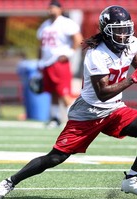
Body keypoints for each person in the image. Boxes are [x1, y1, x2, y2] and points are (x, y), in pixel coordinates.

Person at [0, 5, 137, 199]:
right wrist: (133, 79)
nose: (123, 35)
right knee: (55, 157)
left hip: (114, 110)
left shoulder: (131, 42)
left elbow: (133, 57)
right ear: (106, 31)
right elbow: (102, 94)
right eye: (118, 30)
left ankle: (132, 178)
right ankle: (9, 182)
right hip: (89, 112)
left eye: (126, 29)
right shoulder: (96, 54)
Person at [37, 0, 83, 128]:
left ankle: (76, 120)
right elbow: (41, 45)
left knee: (63, 92)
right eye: (49, 8)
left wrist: (69, 53)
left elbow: (78, 39)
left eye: (53, 8)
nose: (50, 10)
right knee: (52, 92)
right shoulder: (45, 25)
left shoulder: (66, 23)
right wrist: (39, 62)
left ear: (60, 9)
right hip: (47, 62)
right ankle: (55, 118)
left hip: (59, 62)